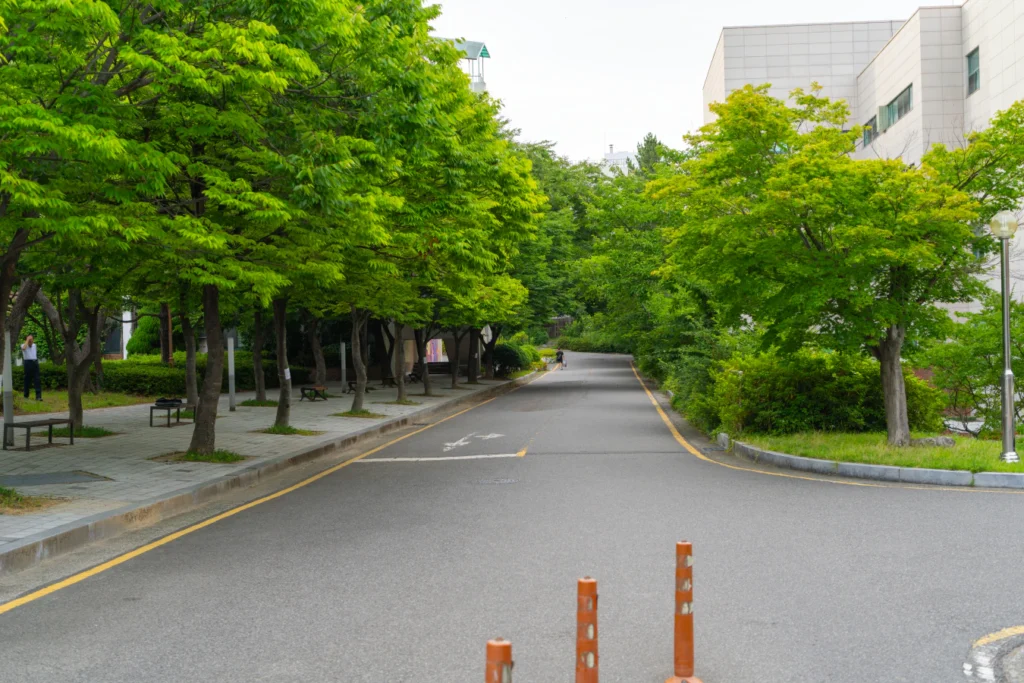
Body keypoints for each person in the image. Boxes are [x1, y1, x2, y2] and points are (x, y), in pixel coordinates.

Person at [22, 334, 41, 400]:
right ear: (26, 340)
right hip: (27, 363)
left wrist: (30, 341)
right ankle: (26, 395)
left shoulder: (34, 345)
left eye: (32, 339)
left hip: (35, 362)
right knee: (27, 379)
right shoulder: (23, 345)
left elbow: (31, 346)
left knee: (37, 379)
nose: (31, 341)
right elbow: (24, 348)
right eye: (29, 340)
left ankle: (38, 396)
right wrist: (27, 340)